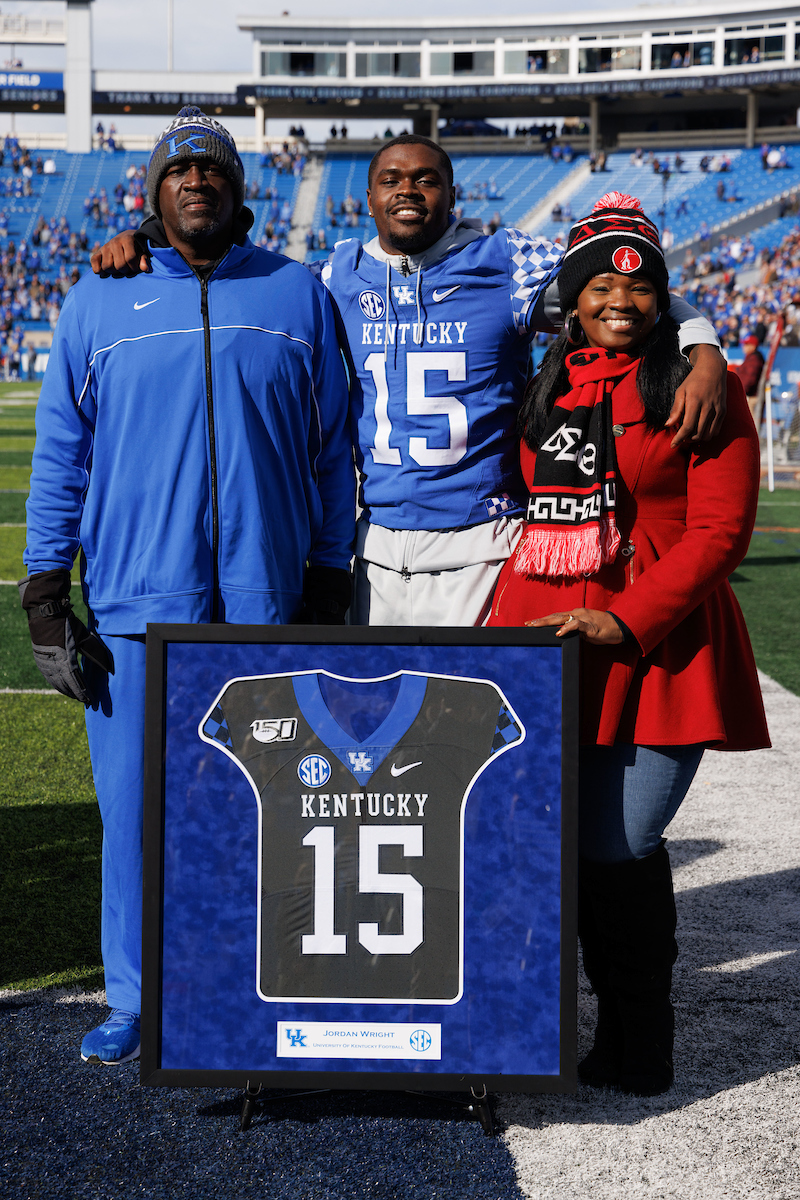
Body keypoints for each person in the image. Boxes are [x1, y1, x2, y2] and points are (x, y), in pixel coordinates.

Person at [21, 106, 354, 1066]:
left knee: (270, 809)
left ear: (239, 188)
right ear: (153, 194)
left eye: (212, 169)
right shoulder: (95, 300)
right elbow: (61, 456)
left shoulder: (297, 293)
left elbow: (333, 452)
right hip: (136, 601)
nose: (195, 181)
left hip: (266, 600)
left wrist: (327, 570)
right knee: (132, 816)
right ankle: (134, 995)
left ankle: (261, 984)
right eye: (178, 171)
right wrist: (46, 588)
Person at [92, 137, 727, 628]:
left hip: (485, 539)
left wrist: (703, 345)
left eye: (426, 180)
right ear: (367, 198)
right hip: (373, 544)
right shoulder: (333, 275)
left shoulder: (504, 262)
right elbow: (233, 282)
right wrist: (149, 241)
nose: (408, 190)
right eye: (391, 180)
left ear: (452, 195)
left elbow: (619, 289)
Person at [487, 193, 769, 1096]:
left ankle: (642, 1038)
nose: (622, 297)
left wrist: (629, 617)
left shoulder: (699, 385)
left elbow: (721, 531)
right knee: (558, 849)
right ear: (572, 297)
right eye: (603, 281)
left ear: (663, 302)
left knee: (621, 843)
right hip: (546, 646)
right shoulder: (548, 384)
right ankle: (570, 1036)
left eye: (641, 285)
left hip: (658, 651)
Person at [734, 333, 765, 425]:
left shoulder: (754, 358)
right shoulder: (751, 357)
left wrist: (742, 392)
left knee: (750, 424)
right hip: (749, 395)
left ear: (753, 346)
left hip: (751, 396)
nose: (744, 347)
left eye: (746, 344)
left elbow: (750, 378)